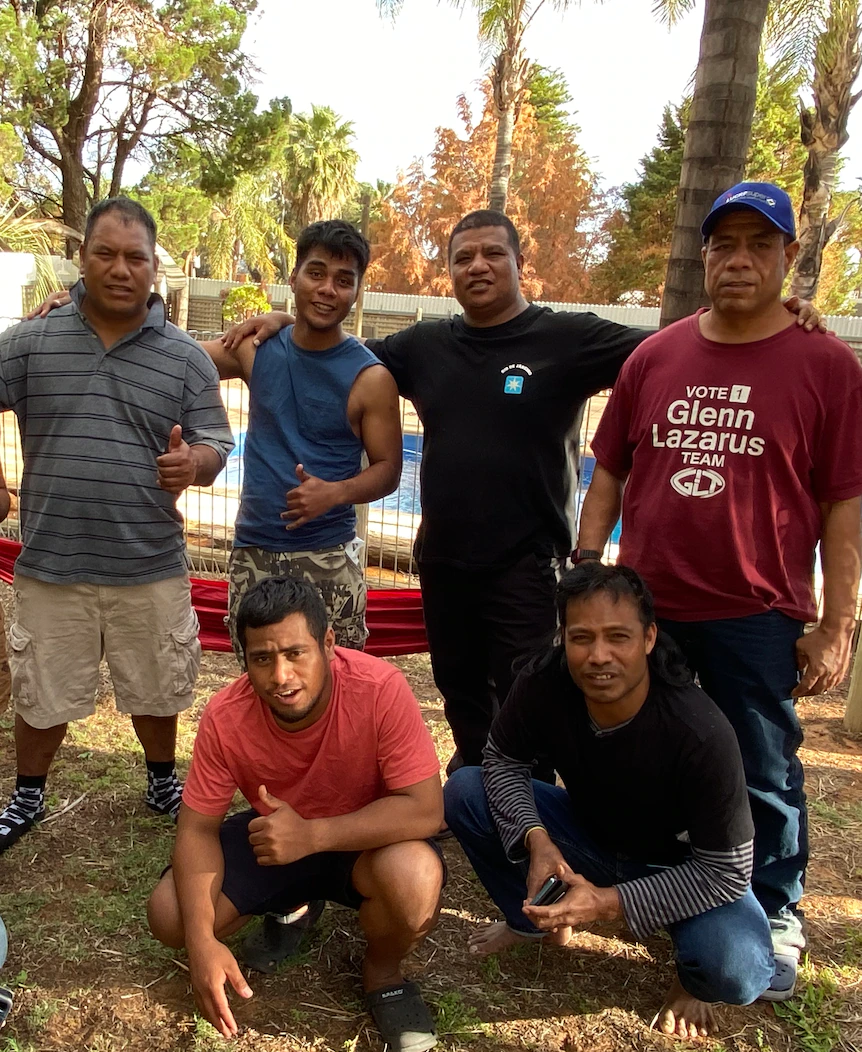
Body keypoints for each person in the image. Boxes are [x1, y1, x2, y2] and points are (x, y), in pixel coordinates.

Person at [225, 211, 824, 776]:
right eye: (463, 258)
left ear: (519, 264)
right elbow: (330, 353)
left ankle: (528, 788)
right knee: (457, 681)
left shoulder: (566, 337)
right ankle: (477, 775)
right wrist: (280, 320)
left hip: (528, 560)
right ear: (451, 271)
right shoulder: (425, 346)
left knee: (526, 686)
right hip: (443, 554)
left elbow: (674, 348)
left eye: (492, 254)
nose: (477, 266)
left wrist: (768, 315)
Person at [576, 182, 862, 1000]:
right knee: (644, 749)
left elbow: (845, 504)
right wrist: (587, 563)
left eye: (759, 246)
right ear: (703, 254)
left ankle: (774, 907)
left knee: (763, 766)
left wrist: (836, 622)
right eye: (723, 245)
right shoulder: (655, 356)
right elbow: (611, 472)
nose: (738, 261)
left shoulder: (825, 366)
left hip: (756, 612)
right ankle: (671, 878)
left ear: (788, 257)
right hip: (648, 608)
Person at [445, 564, 774, 1039]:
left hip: (683, 868)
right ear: (563, 638)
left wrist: (605, 903)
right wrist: (537, 841)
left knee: (737, 970)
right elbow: (502, 759)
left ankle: (691, 982)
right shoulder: (543, 683)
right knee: (466, 790)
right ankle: (533, 918)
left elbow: (725, 871)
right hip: (589, 837)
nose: (598, 656)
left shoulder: (700, 730)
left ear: (649, 638)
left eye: (618, 637)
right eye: (582, 638)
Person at [0, 196, 234, 854]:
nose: (121, 268)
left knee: (157, 683)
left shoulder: (185, 357)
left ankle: (161, 782)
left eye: (136, 257)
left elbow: (218, 443)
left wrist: (196, 461)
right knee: (41, 688)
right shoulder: (30, 342)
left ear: (155, 268)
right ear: (83, 259)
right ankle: (27, 795)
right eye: (106, 253)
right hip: (52, 562)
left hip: (148, 563)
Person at [146, 575, 445, 1052]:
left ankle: (383, 973)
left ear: (328, 643)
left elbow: (426, 809)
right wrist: (200, 943)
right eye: (262, 659)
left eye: (295, 653)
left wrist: (315, 835)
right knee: (170, 916)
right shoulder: (225, 715)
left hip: (362, 839)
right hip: (278, 838)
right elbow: (196, 829)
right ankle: (294, 905)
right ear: (243, 658)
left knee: (414, 876)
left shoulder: (380, 689)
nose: (280, 676)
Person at [203, 220, 401, 656]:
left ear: (357, 292)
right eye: (316, 273)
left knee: (340, 685)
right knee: (260, 686)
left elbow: (389, 469)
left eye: (343, 280)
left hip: (328, 555)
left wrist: (334, 493)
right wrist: (91, 309)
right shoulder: (257, 349)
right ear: (293, 278)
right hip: (254, 550)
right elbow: (176, 356)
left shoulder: (370, 378)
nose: (328, 289)